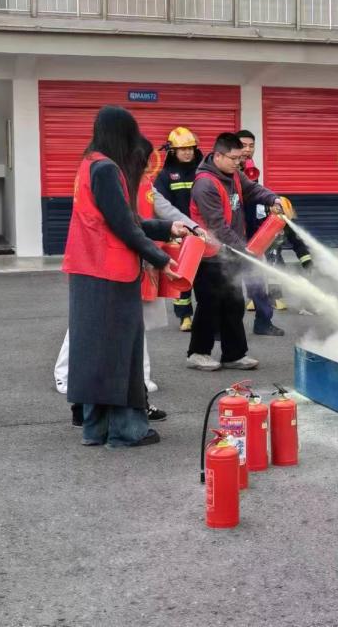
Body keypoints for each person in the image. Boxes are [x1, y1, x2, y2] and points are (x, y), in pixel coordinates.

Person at [54, 138, 201, 416]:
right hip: (106, 265)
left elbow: (153, 214)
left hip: (128, 260)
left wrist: (182, 227)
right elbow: (126, 226)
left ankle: (137, 387)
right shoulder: (107, 176)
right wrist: (158, 257)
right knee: (91, 330)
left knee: (132, 327)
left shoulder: (134, 181)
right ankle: (74, 385)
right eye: (142, 161)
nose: (146, 167)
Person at [61, 105, 177, 448]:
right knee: (122, 352)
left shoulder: (89, 164)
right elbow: (124, 224)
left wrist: (168, 228)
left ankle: (95, 429)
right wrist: (159, 258)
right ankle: (127, 430)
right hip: (111, 272)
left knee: (95, 352)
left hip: (87, 269)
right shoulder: (108, 169)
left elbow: (119, 219)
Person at [186, 132, 282, 372]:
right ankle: (198, 353)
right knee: (209, 305)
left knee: (234, 304)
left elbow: (253, 190)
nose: (239, 162)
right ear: (218, 155)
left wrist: (274, 199)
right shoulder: (206, 184)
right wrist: (245, 251)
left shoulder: (235, 175)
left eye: (240, 158)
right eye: (234, 158)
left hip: (231, 254)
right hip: (209, 255)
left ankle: (234, 355)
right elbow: (218, 227)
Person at [236, 130, 284, 336]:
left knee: (256, 279)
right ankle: (226, 328)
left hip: (250, 234)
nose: (248, 150)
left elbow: (255, 195)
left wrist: (270, 204)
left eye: (251, 146)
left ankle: (263, 322)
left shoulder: (251, 169)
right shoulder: (226, 170)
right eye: (243, 145)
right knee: (228, 285)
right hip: (230, 235)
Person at [154, 126, 202, 332]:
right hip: (180, 232)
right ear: (173, 151)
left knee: (204, 277)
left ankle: (204, 316)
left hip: (202, 231)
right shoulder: (166, 175)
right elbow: (161, 206)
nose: (188, 152)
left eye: (190, 148)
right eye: (183, 149)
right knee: (182, 274)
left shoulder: (202, 171)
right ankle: (184, 316)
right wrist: (171, 232)